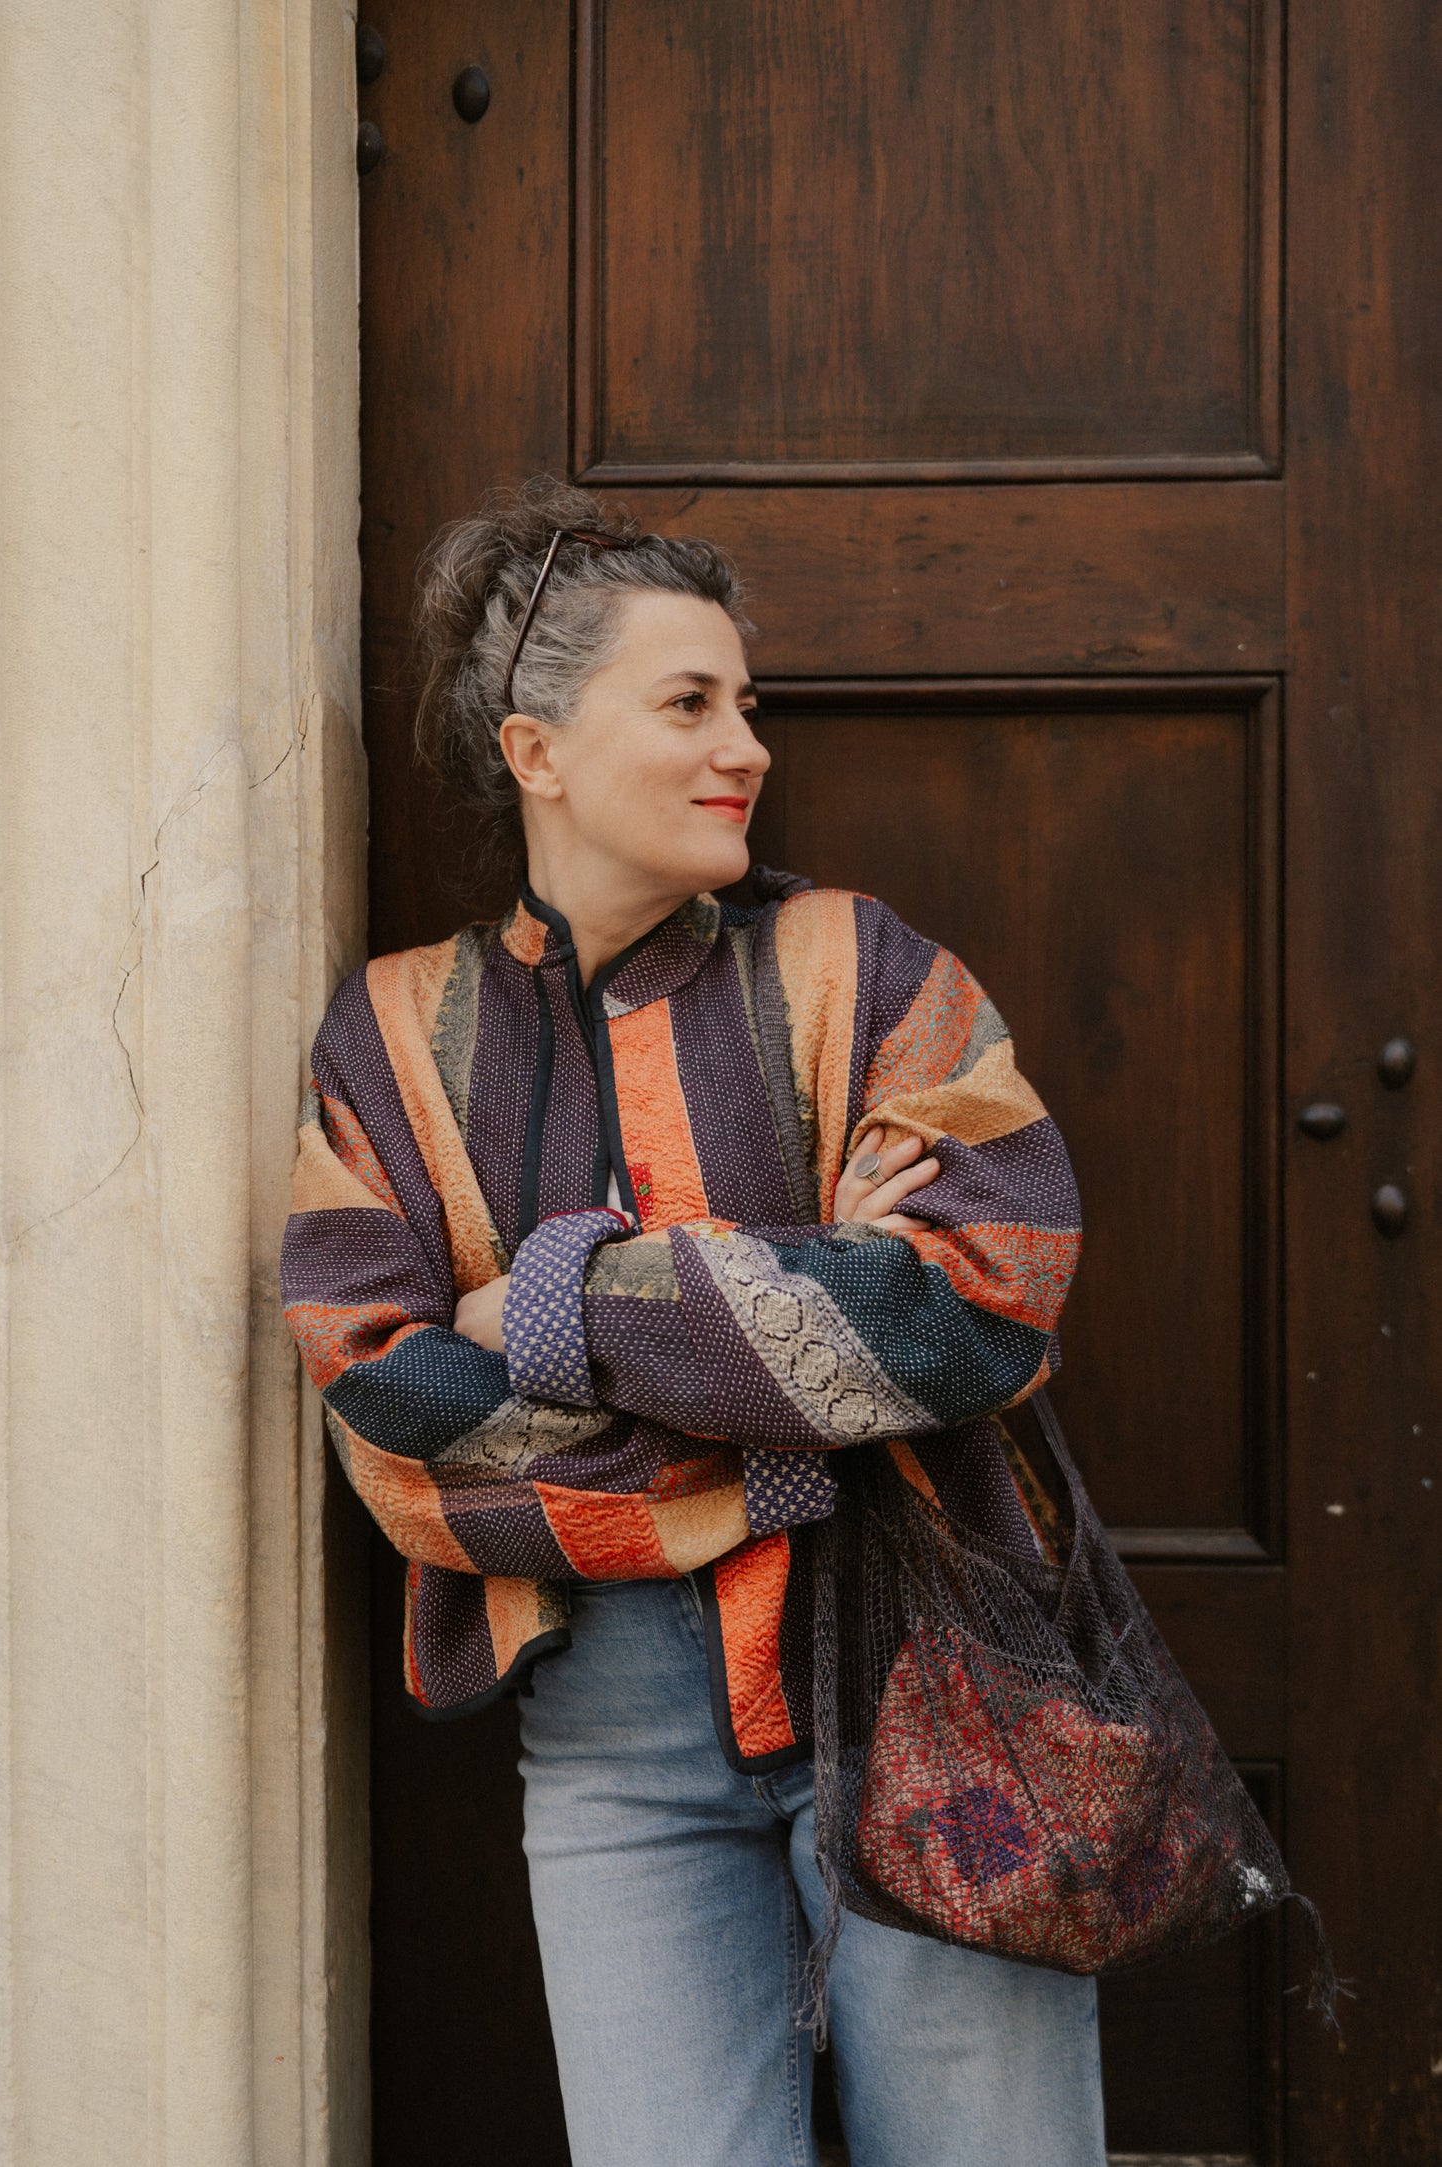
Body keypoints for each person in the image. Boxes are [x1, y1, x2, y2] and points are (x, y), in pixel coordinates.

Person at [281, 477, 1106, 2166]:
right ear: (535, 750)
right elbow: (388, 1406)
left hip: (926, 1682)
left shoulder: (866, 971)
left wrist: (539, 1300)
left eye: (746, 703)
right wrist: (806, 1315)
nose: (747, 746)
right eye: (688, 704)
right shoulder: (389, 1037)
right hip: (607, 1735)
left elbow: (983, 1300)